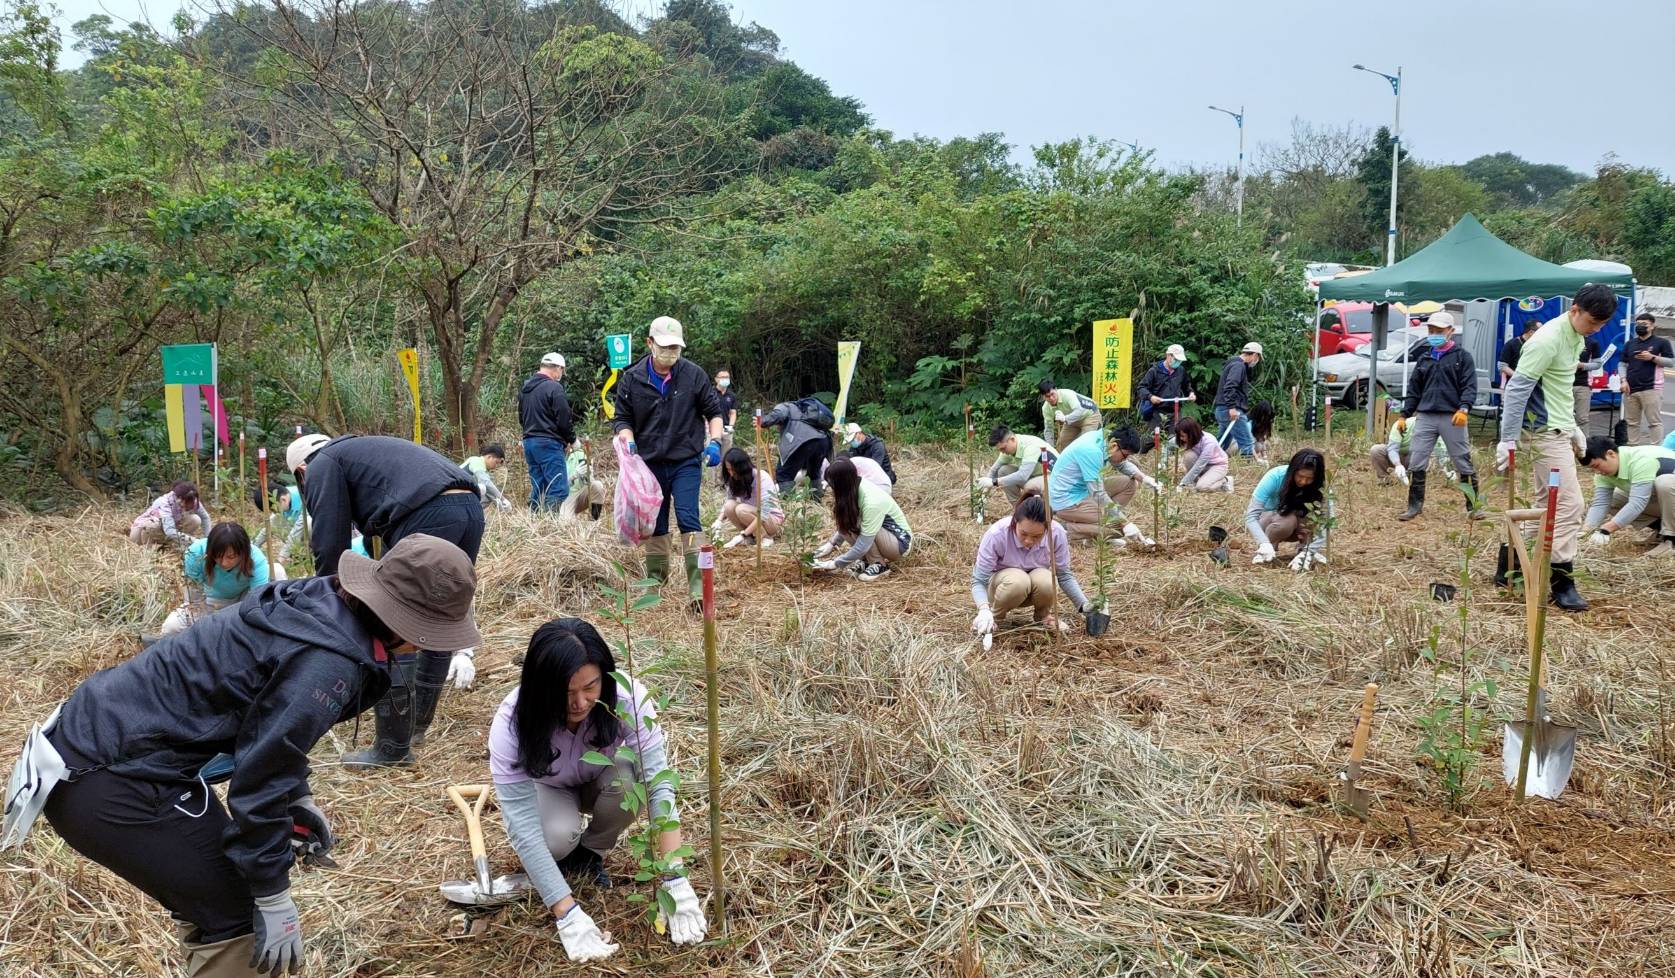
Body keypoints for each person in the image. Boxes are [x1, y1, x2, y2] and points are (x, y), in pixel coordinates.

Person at [1, 535, 478, 978]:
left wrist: (298, 798)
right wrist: (272, 893)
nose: (427, 641)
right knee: (238, 912)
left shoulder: (318, 603)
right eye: (430, 629)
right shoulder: (329, 662)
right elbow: (262, 771)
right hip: (110, 773)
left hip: (103, 737)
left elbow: (265, 722)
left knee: (215, 891)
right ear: (399, 619)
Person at [490, 618, 706, 963]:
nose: (580, 702)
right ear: (541, 688)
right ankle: (565, 857)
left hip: (603, 778)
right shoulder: (512, 722)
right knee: (554, 839)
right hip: (549, 787)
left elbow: (659, 784)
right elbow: (523, 828)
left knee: (630, 784)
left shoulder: (626, 697)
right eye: (565, 693)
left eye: (590, 687)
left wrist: (673, 877)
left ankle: (591, 852)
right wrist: (567, 914)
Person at [287, 432, 485, 765]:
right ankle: (415, 727)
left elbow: (330, 547)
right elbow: (371, 540)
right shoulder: (359, 452)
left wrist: (329, 604)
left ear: (300, 473)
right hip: (469, 509)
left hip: (428, 512)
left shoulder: (321, 465)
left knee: (394, 619)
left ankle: (393, 748)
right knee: (438, 617)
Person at [1496, 283, 1621, 612]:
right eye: (1593, 321)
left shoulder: (1576, 336)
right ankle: (1561, 581)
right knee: (1569, 504)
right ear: (1574, 310)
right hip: (1542, 432)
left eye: (1602, 324)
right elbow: (1518, 389)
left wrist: (1573, 428)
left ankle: (1508, 564)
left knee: (1544, 505)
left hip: (1558, 428)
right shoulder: (1547, 339)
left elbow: (1558, 388)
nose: (1596, 329)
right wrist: (1507, 438)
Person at [612, 316, 725, 609]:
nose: (670, 353)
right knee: (656, 523)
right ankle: (654, 587)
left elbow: (714, 412)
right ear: (650, 343)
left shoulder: (693, 375)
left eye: (676, 347)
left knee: (688, 517)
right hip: (649, 464)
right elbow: (622, 418)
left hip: (685, 459)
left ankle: (699, 591)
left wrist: (715, 441)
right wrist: (628, 439)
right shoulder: (632, 378)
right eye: (664, 347)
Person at [1394, 311, 1480, 521]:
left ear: (1451, 331)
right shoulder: (1425, 358)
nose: (1434, 334)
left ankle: (1474, 506)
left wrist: (1464, 408)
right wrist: (1404, 415)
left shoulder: (1462, 357)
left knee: (1462, 460)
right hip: (1426, 415)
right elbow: (1414, 390)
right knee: (1417, 460)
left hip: (1453, 416)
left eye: (1439, 331)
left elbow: (1469, 386)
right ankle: (1414, 506)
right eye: (1431, 330)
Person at [970, 494, 1094, 638]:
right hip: (1002, 589)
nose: (1028, 541)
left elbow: (1064, 576)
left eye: (1037, 536)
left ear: (1047, 529)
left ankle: (1043, 616)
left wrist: (1085, 606)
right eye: (1023, 534)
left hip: (1035, 590)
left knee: (1048, 580)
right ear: (1015, 522)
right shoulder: (997, 534)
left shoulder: (1056, 533)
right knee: (1018, 581)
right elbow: (979, 581)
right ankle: (993, 618)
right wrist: (983, 610)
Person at [1031, 427, 1158, 544]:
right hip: (1066, 500)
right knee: (1118, 527)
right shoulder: (1091, 451)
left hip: (1084, 490)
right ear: (1114, 446)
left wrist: (1144, 478)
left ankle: (1099, 526)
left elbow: (1121, 464)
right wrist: (1125, 522)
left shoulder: (1105, 439)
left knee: (1129, 484)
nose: (1126, 459)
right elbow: (1098, 493)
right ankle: (1064, 529)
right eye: (1126, 455)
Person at [160, 522, 273, 637]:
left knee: (276, 571)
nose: (224, 563)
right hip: (210, 601)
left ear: (243, 553)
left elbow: (256, 601)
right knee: (171, 627)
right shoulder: (195, 554)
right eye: (218, 556)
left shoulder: (256, 559)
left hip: (243, 601)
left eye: (231, 557)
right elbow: (194, 600)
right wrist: (204, 625)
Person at [811, 457, 913, 581]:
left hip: (899, 544)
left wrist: (836, 563)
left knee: (855, 523)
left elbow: (864, 543)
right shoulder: (853, 488)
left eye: (833, 485)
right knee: (849, 520)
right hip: (884, 537)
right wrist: (832, 543)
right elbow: (846, 524)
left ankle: (879, 565)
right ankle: (867, 561)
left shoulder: (871, 501)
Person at [1580, 437, 1675, 558]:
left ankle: (1671, 539)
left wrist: (1607, 529)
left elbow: (1638, 502)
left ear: (1611, 454)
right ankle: (1662, 531)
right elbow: (1601, 503)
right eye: (1591, 468)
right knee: (1615, 499)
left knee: (1665, 483)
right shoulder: (1604, 473)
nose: (1597, 472)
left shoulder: (1641, 460)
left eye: (1597, 465)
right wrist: (1586, 530)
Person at [1246, 448, 1333, 571]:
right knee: (1287, 521)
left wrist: (1309, 552)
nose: (1303, 481)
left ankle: (1304, 550)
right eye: (1300, 476)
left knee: (1313, 517)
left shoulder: (1322, 487)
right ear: (1293, 470)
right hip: (1272, 522)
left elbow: (1326, 523)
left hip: (1301, 526)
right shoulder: (1275, 477)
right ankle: (1268, 549)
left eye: (1309, 478)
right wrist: (1263, 542)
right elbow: (1251, 516)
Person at [521, 352, 576, 510]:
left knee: (539, 487)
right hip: (549, 444)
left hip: (529, 443)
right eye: (562, 370)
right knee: (558, 488)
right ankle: (550, 522)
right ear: (557, 368)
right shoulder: (554, 387)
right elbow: (563, 418)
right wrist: (572, 439)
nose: (561, 374)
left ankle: (534, 520)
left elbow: (521, 417)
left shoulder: (525, 389)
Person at [762, 398, 835, 499]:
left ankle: (788, 503)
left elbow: (778, 415)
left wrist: (762, 421)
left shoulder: (785, 406)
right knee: (814, 473)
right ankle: (816, 501)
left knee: (784, 475)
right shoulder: (805, 412)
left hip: (802, 440)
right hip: (823, 441)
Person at [715, 446, 783, 548]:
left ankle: (765, 537)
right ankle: (751, 538)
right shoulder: (734, 479)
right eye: (728, 469)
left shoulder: (761, 477)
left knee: (741, 509)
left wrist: (743, 534)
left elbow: (764, 512)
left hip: (771, 520)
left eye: (734, 470)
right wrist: (719, 521)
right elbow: (729, 499)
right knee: (729, 506)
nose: (731, 473)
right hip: (751, 516)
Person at [1623, 313, 1673, 445]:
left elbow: (1670, 362)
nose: (1640, 327)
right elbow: (1622, 363)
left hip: (1651, 388)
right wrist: (1623, 380)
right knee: (1632, 422)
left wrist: (1652, 357)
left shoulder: (1662, 343)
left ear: (1652, 326)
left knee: (1654, 422)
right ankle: (1632, 448)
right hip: (1630, 389)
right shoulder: (1630, 344)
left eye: (1644, 324)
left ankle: (1656, 449)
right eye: (1638, 324)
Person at [979, 425, 1058, 505]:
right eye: (1000, 450)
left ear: (1012, 439)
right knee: (1003, 471)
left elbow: (1022, 476)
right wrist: (984, 495)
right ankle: (1018, 508)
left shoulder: (1030, 446)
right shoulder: (1008, 448)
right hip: (1034, 476)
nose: (1002, 452)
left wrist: (994, 482)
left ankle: (1044, 508)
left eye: (1003, 448)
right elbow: (994, 470)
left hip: (1053, 478)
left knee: (1031, 485)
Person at [1214, 342, 1263, 458]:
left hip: (1222, 409)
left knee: (1222, 442)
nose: (1257, 361)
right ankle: (1250, 465)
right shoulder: (1238, 366)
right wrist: (1232, 407)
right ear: (1255, 355)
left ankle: (1211, 460)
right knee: (1246, 441)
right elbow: (1230, 387)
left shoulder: (1233, 363)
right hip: (1231, 409)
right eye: (1258, 358)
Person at [129, 481, 210, 549]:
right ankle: (149, 548)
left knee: (195, 519)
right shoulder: (165, 502)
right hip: (141, 532)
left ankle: (171, 542)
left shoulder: (192, 500)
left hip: (166, 527)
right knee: (153, 524)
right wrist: (195, 541)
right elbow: (170, 531)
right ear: (178, 497)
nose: (182, 504)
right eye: (181, 501)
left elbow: (205, 518)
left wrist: (208, 540)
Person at [1136, 343, 1196, 434]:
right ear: (1168, 355)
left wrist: (1191, 393)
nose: (1178, 362)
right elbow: (1141, 388)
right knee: (1153, 437)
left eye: (1180, 360)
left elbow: (1186, 385)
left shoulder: (1181, 371)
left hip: (1175, 410)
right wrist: (1150, 397)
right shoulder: (1154, 371)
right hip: (1157, 411)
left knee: (1176, 437)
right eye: (1176, 359)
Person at [1038, 379, 1102, 453]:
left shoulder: (1067, 394)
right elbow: (1049, 429)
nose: (1051, 398)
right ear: (1043, 397)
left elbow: (1080, 410)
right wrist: (1050, 448)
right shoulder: (1046, 408)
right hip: (1071, 420)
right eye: (1047, 396)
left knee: (1085, 444)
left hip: (1089, 415)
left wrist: (1065, 418)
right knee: (1061, 443)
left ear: (1056, 389)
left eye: (1052, 394)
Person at [1174, 418, 1233, 493]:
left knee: (1202, 487)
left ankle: (1225, 480)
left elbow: (1199, 465)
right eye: (1179, 436)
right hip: (1204, 465)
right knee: (1189, 456)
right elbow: (1169, 444)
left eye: (1182, 436)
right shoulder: (1189, 437)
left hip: (1217, 465)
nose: (1181, 438)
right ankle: (1195, 481)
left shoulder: (1209, 441)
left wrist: (1183, 483)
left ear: (1191, 433)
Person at [250, 480, 306, 556]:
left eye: (273, 510)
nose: (275, 512)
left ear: (283, 500)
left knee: (307, 525)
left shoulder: (304, 496)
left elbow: (297, 530)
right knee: (277, 525)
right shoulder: (283, 497)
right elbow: (268, 528)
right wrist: (252, 548)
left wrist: (281, 558)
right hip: (301, 532)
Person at [462, 443, 513, 512]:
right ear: (489, 457)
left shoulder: (484, 469)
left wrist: (503, 507)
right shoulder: (476, 461)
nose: (496, 466)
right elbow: (486, 483)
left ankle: (472, 513)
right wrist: (503, 499)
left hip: (462, 494)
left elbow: (491, 494)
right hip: (455, 494)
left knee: (489, 492)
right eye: (496, 462)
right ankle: (470, 512)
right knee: (483, 488)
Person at [1369, 417, 1413, 486]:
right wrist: (1398, 464)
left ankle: (1414, 479)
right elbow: (1392, 448)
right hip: (1398, 454)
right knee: (1376, 450)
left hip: (1415, 457)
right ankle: (1384, 480)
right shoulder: (1401, 424)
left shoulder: (1428, 427)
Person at [1573, 335, 1602, 436]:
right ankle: (1564, 442)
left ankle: (1584, 443)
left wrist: (1582, 365)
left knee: (1582, 418)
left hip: (1582, 385)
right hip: (1563, 384)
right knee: (1563, 417)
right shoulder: (1563, 339)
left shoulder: (1592, 342)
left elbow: (1598, 364)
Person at [1497, 318, 1540, 383]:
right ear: (1531, 332)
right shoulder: (1511, 344)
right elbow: (1502, 366)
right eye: (1541, 331)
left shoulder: (1538, 346)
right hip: (1515, 384)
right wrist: (1519, 378)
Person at [713, 368, 738, 461]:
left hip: (726, 429)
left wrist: (730, 427)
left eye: (727, 377)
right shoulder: (710, 393)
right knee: (712, 457)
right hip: (713, 430)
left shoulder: (731, 395)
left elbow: (733, 413)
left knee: (726, 458)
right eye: (722, 377)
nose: (725, 379)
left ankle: (724, 471)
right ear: (716, 379)